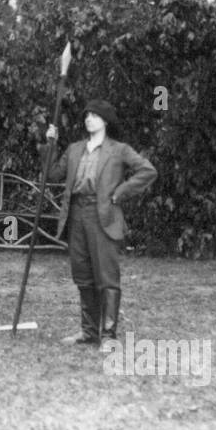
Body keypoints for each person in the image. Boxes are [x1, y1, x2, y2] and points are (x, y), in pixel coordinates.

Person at [44, 99, 156, 343]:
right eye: (86, 115)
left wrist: (120, 192)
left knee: (106, 277)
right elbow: (52, 174)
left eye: (94, 115)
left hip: (102, 215)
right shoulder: (75, 149)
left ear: (105, 120)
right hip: (76, 215)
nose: (88, 119)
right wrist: (50, 144)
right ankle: (89, 331)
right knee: (83, 275)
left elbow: (148, 170)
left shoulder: (119, 149)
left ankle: (108, 334)